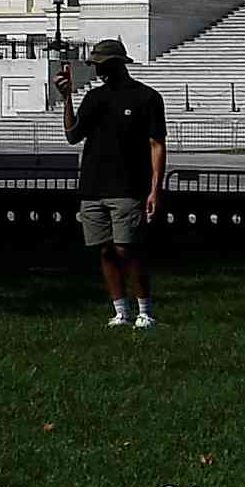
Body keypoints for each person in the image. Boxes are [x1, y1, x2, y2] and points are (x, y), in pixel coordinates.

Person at [67, 40, 167, 328]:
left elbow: (156, 144)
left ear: (117, 63)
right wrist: (66, 98)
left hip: (128, 184)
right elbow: (73, 135)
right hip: (93, 185)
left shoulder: (146, 98)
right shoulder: (94, 98)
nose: (97, 69)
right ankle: (120, 310)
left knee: (128, 248)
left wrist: (154, 189)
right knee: (105, 250)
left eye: (101, 63)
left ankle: (144, 310)